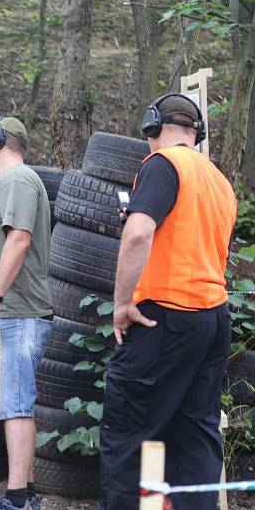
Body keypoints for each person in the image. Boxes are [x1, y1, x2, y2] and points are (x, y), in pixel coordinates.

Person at [100, 94, 237, 510]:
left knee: (130, 436)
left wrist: (122, 303)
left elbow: (139, 232)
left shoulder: (163, 165)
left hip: (166, 318)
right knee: (194, 437)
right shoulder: (218, 179)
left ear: (152, 126)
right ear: (199, 133)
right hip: (212, 318)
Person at [0, 116, 53, 510]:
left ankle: (17, 500)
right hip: (13, 312)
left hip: (15, 312)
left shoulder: (16, 179)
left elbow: (18, 239)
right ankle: (26, 493)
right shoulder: (12, 183)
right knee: (13, 404)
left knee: (15, 405)